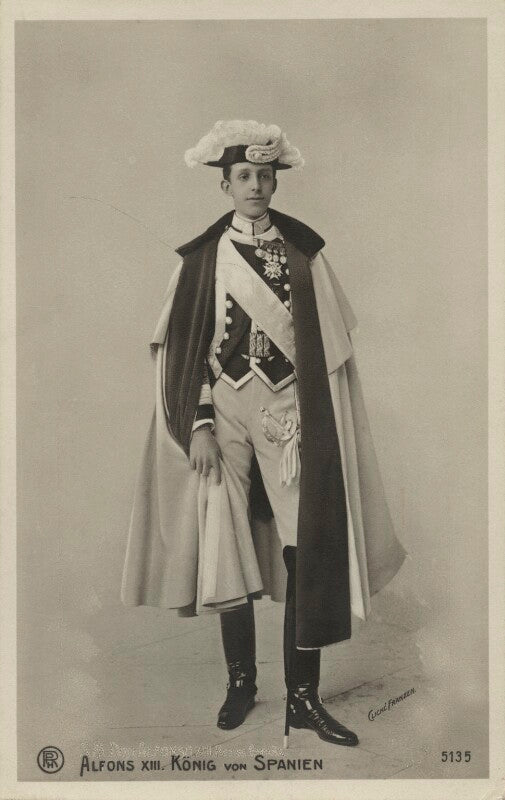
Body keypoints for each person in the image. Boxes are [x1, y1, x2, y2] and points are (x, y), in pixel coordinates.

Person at [121, 119, 406, 747]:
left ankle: (302, 699)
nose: (255, 185)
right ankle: (241, 682)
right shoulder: (202, 258)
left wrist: (310, 409)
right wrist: (197, 423)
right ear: (224, 185)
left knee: (305, 545)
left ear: (276, 182)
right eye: (243, 176)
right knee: (226, 541)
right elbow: (185, 351)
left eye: (265, 175)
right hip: (222, 409)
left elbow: (327, 345)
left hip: (288, 411)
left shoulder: (303, 251)